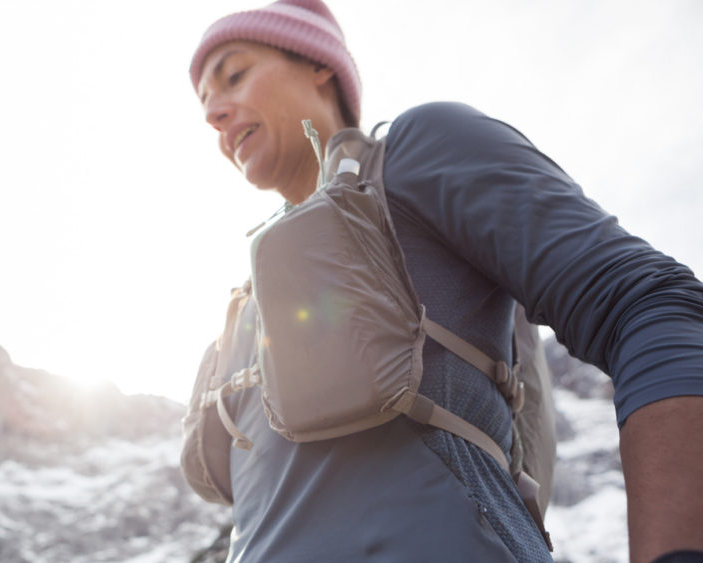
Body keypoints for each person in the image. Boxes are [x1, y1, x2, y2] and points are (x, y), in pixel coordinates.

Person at [187, 0, 703, 561]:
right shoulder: (246, 306)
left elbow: (648, 301)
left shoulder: (416, 152)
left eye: (234, 75)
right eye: (205, 102)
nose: (215, 111)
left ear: (320, 66)